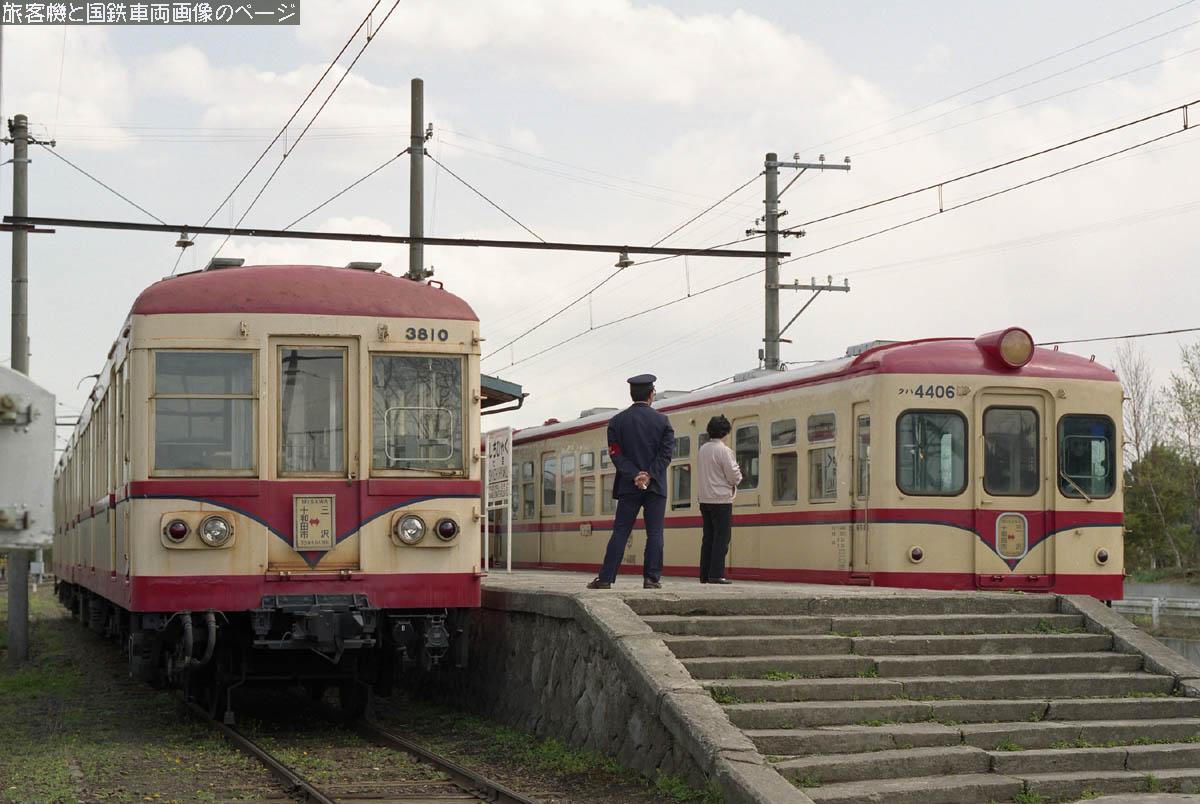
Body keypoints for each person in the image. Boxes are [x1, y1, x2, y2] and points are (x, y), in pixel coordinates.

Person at [587, 374, 674, 590]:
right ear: (651, 394)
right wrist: (649, 475)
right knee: (655, 533)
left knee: (621, 531)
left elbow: (615, 454)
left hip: (628, 486)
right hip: (655, 486)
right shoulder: (663, 422)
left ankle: (606, 578)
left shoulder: (617, 422)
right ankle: (651, 578)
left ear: (631, 394)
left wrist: (635, 475)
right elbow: (666, 455)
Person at [696, 415, 741, 584]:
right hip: (721, 499)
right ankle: (716, 574)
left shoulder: (703, 449)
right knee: (722, 538)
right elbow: (733, 475)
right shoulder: (724, 451)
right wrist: (737, 479)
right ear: (725, 432)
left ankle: (705, 573)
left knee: (708, 537)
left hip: (704, 498)